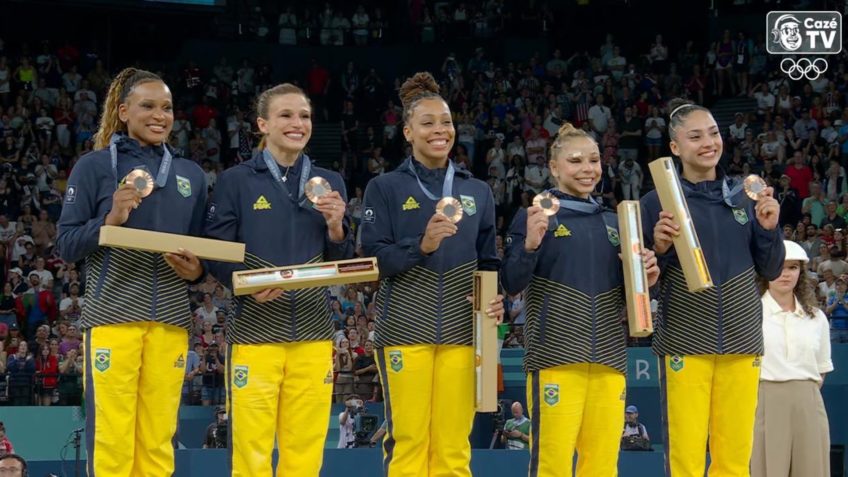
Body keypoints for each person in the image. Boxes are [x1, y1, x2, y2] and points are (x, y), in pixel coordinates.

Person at [56, 67, 207, 476]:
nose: (160, 115)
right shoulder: (93, 167)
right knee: (112, 436)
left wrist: (195, 270)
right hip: (112, 318)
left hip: (171, 321)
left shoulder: (190, 175)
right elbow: (66, 243)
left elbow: (202, 254)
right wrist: (111, 219)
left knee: (159, 438)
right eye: (147, 106)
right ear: (123, 111)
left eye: (167, 107)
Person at [204, 82, 353, 476]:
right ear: (262, 124)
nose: (297, 123)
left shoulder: (329, 181)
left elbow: (341, 256)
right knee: (250, 450)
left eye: (304, 115)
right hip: (254, 333)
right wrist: (247, 284)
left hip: (313, 332)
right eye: (286, 115)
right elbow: (214, 248)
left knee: (305, 452)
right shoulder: (237, 180)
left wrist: (337, 226)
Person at [360, 72, 504, 477]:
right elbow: (373, 259)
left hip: (462, 332)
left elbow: (488, 261)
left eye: (446, 122)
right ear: (408, 131)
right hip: (405, 329)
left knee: (454, 444)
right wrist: (420, 246)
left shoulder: (477, 191)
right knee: (409, 442)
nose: (440, 131)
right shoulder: (384, 187)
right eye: (428, 123)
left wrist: (492, 297)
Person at [502, 122, 659, 476]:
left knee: (603, 465)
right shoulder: (535, 215)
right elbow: (511, 282)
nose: (588, 169)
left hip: (609, 359)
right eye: (575, 161)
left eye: (593, 160)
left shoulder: (617, 221)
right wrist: (528, 245)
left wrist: (648, 278)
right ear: (554, 167)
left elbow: (631, 295)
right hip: (555, 358)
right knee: (552, 465)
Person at [640, 98, 784, 476]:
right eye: (695, 136)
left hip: (742, 342)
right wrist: (659, 248)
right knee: (685, 459)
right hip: (685, 343)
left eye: (714, 133)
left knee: (735, 460)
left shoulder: (746, 196)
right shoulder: (656, 202)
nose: (708, 142)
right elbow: (643, 286)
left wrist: (769, 230)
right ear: (675, 147)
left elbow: (770, 269)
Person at [752, 241, 833, 477]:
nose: (785, 274)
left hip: (808, 401)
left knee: (812, 469)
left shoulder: (816, 318)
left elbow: (821, 368)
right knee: (767, 469)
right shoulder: (750, 312)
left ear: (801, 272)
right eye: (778, 266)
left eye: (792, 268)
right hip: (764, 397)